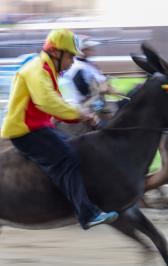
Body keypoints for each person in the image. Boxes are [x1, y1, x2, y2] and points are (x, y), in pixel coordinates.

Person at [0, 29, 119, 229]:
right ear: (56, 52)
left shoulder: (47, 69)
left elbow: (54, 105)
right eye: (71, 55)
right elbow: (48, 102)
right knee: (66, 158)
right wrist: (80, 114)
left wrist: (79, 115)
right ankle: (87, 214)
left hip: (39, 127)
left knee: (73, 148)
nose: (73, 61)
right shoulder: (36, 69)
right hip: (24, 131)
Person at [60, 36, 118, 110]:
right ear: (81, 50)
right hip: (83, 105)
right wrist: (102, 89)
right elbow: (83, 90)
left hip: (93, 101)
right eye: (89, 49)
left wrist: (107, 87)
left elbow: (100, 80)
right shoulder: (76, 67)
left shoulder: (88, 63)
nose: (93, 51)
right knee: (109, 113)